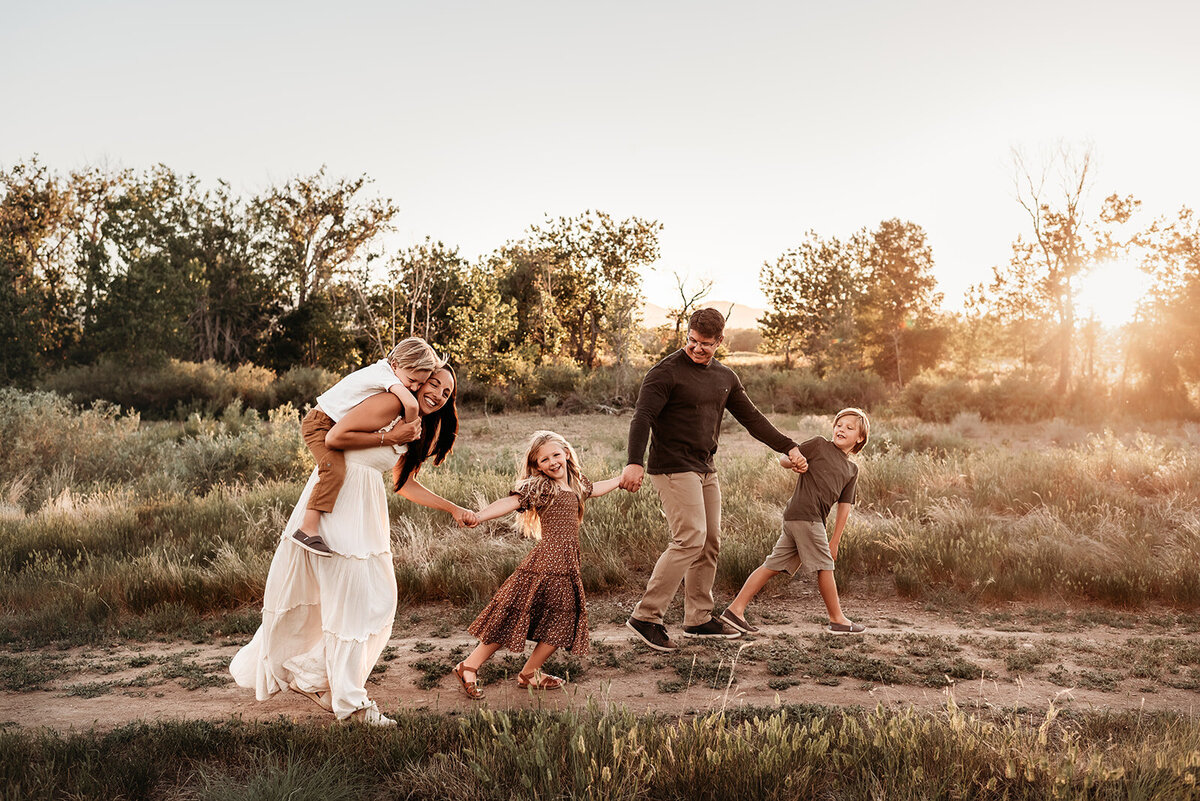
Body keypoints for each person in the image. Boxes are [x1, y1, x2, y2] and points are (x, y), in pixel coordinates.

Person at [230, 365, 471, 726]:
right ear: (417, 381)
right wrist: (390, 438)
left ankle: (320, 680)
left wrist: (452, 507)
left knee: (369, 602)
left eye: (447, 392)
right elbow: (335, 437)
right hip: (339, 504)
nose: (438, 393)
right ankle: (350, 702)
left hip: (364, 507)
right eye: (434, 383)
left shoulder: (413, 424)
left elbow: (403, 484)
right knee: (358, 605)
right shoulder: (392, 402)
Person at [621, 308, 807, 652]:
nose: (697, 348)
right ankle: (646, 616)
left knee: (709, 542)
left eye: (705, 344)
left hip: (705, 466)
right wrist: (634, 461)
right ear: (687, 334)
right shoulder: (665, 373)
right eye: (692, 341)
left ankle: (698, 618)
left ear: (720, 341)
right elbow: (642, 416)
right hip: (672, 465)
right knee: (690, 537)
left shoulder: (725, 376)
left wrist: (788, 446)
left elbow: (752, 418)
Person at [450, 431, 621, 698]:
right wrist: (480, 516)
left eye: (555, 455)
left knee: (562, 618)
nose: (552, 462)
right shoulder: (541, 486)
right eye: (544, 459)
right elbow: (512, 502)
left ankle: (530, 672)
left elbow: (595, 489)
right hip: (546, 563)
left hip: (567, 563)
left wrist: (622, 479)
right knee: (516, 614)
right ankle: (468, 666)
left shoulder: (575, 484)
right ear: (537, 466)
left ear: (566, 453)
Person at [718, 408, 870, 636]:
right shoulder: (819, 445)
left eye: (849, 428)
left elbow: (844, 507)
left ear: (860, 438)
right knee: (825, 566)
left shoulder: (851, 469)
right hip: (805, 516)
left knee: (772, 565)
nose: (841, 429)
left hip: (803, 519)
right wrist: (794, 463)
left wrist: (835, 540)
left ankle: (735, 610)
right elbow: (784, 458)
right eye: (839, 424)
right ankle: (837, 619)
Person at [292, 337, 441, 557]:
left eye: (420, 384)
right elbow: (410, 404)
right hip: (320, 423)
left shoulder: (391, 374)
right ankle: (307, 528)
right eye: (412, 380)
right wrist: (409, 429)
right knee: (332, 468)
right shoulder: (384, 373)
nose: (414, 387)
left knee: (335, 468)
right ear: (396, 365)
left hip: (330, 422)